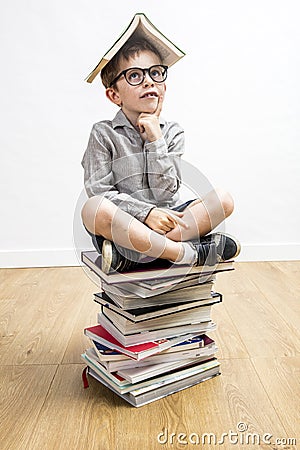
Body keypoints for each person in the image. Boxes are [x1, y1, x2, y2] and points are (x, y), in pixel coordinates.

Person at [81, 38, 240, 273]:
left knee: (223, 199)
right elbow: (99, 191)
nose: (148, 81)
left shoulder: (172, 132)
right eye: (135, 76)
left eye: (155, 73)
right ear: (114, 95)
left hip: (171, 220)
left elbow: (165, 192)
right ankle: (186, 252)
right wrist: (146, 214)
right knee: (93, 208)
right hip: (127, 222)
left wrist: (156, 140)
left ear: (163, 87)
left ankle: (133, 256)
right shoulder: (103, 133)